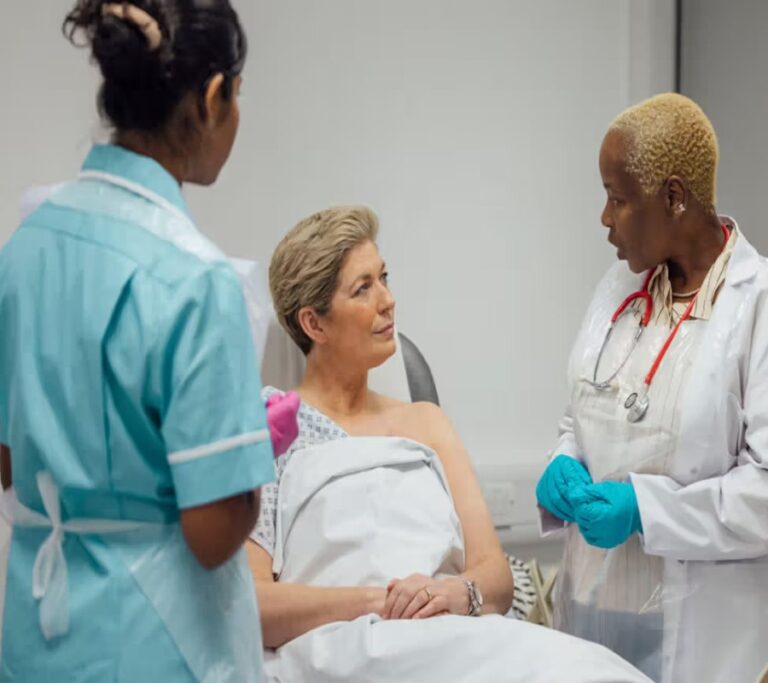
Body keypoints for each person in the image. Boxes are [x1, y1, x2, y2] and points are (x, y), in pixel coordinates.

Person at [0, 1, 294, 679]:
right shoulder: (196, 279)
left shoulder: (24, 249)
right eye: (238, 96)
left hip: (35, 638)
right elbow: (214, 533)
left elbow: (13, 469)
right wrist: (250, 451)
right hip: (152, 645)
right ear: (214, 98)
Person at [249, 205, 652, 683]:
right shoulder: (270, 428)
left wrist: (457, 594)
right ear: (314, 324)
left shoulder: (426, 423)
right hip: (340, 648)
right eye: (363, 288)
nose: (388, 300)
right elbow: (252, 605)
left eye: (384, 277)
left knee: (597, 673)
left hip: (451, 639)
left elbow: (495, 577)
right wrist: (382, 601)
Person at [536, 93, 768, 682]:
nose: (604, 218)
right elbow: (588, 415)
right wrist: (564, 460)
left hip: (714, 636)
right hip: (600, 617)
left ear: (674, 197)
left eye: (618, 199)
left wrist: (645, 509)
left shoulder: (767, 311)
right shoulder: (617, 293)